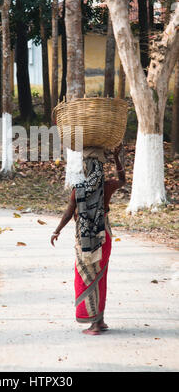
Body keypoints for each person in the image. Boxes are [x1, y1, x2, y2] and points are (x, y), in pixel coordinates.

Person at [51, 144, 126, 335]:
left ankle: (93, 324)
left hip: (85, 241)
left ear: (86, 168)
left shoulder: (79, 189)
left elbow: (69, 212)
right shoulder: (107, 186)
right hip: (104, 237)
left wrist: (56, 231)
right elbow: (123, 180)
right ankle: (99, 321)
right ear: (100, 168)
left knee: (87, 279)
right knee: (100, 278)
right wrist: (117, 158)